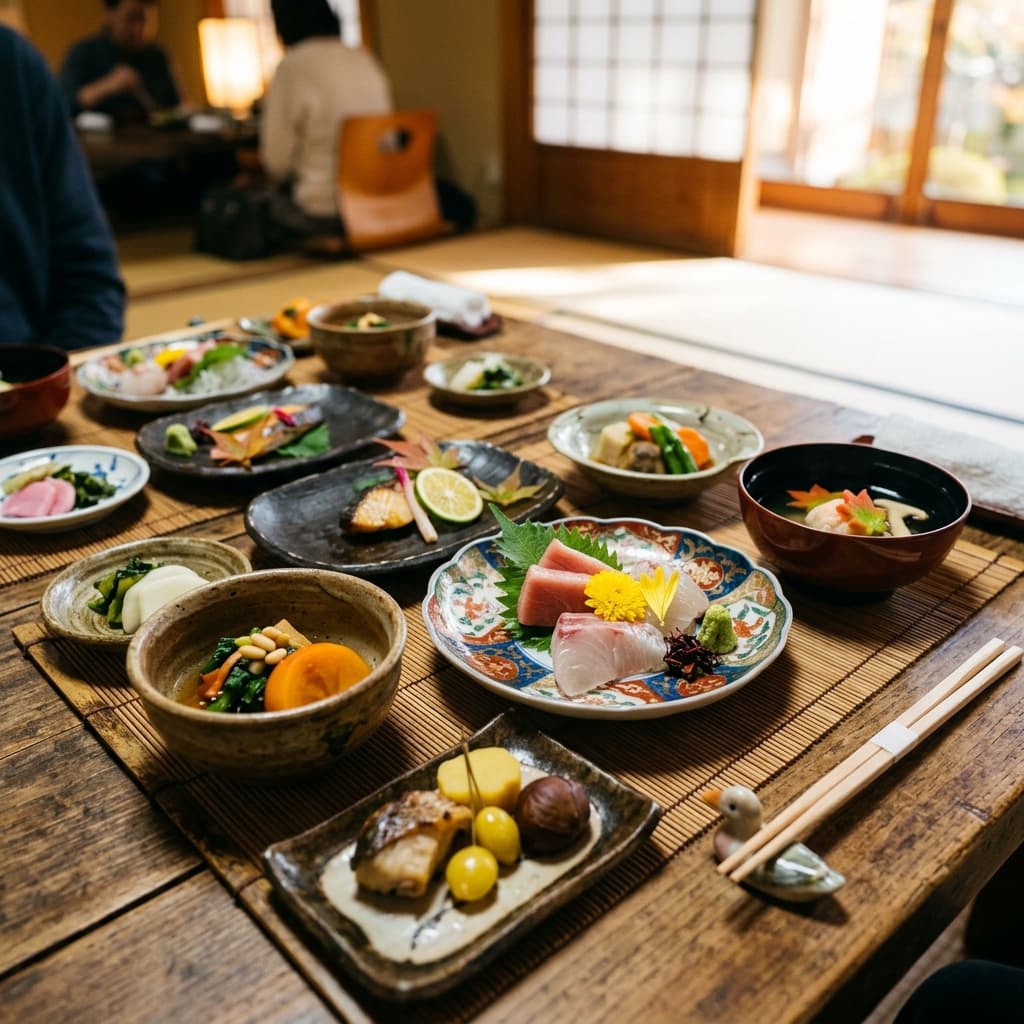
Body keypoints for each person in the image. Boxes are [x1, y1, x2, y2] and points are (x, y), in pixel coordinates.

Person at [0, 26, 125, 351]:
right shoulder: (84, 53)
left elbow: (89, 274)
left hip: (20, 367)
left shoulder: (13, 62)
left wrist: (50, 385)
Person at [260, 0, 392, 236]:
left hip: (326, 211)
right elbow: (390, 142)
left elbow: (275, 161)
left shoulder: (292, 66)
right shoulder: (362, 57)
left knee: (252, 205)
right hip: (384, 198)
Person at [60, 0, 181, 127]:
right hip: (94, 143)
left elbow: (175, 108)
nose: (139, 29)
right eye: (131, 18)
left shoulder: (158, 56)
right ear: (109, 15)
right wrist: (108, 86)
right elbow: (63, 103)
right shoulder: (83, 52)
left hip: (152, 140)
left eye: (146, 20)